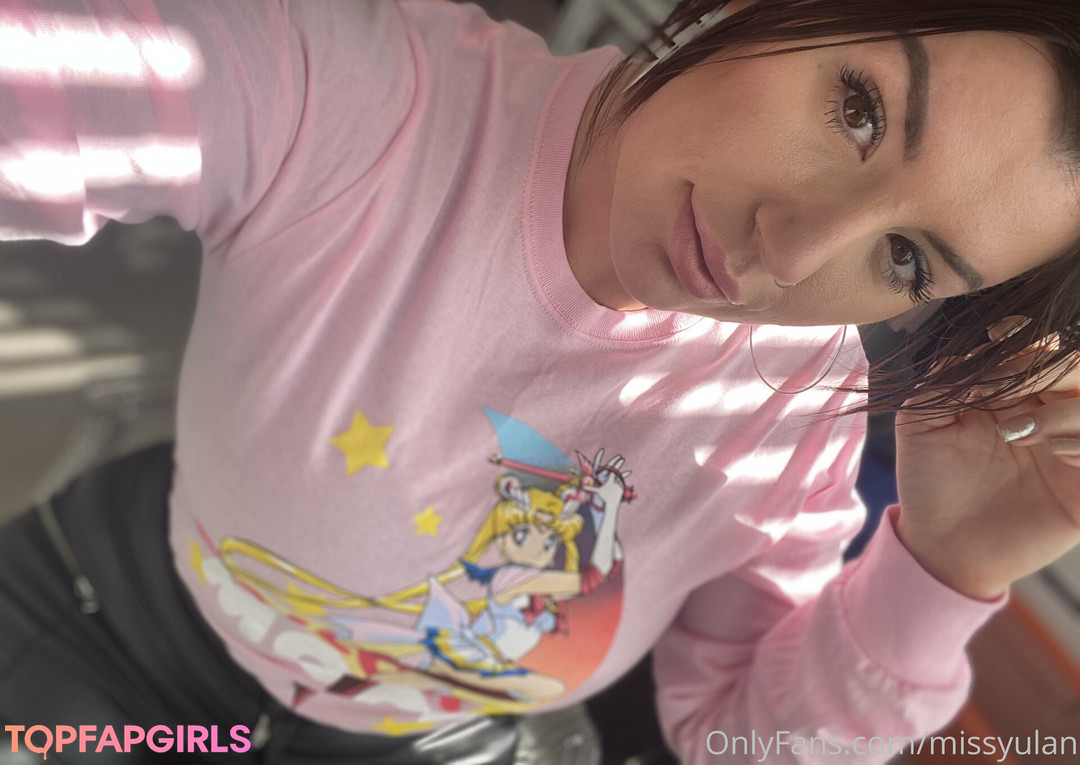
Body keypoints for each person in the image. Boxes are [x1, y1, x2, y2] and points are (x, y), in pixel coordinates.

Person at [0, 0, 1077, 763]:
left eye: (907, 260)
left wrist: (946, 568)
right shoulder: (365, 104)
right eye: (859, 109)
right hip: (114, 626)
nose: (792, 251)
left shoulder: (791, 423)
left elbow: (744, 740)